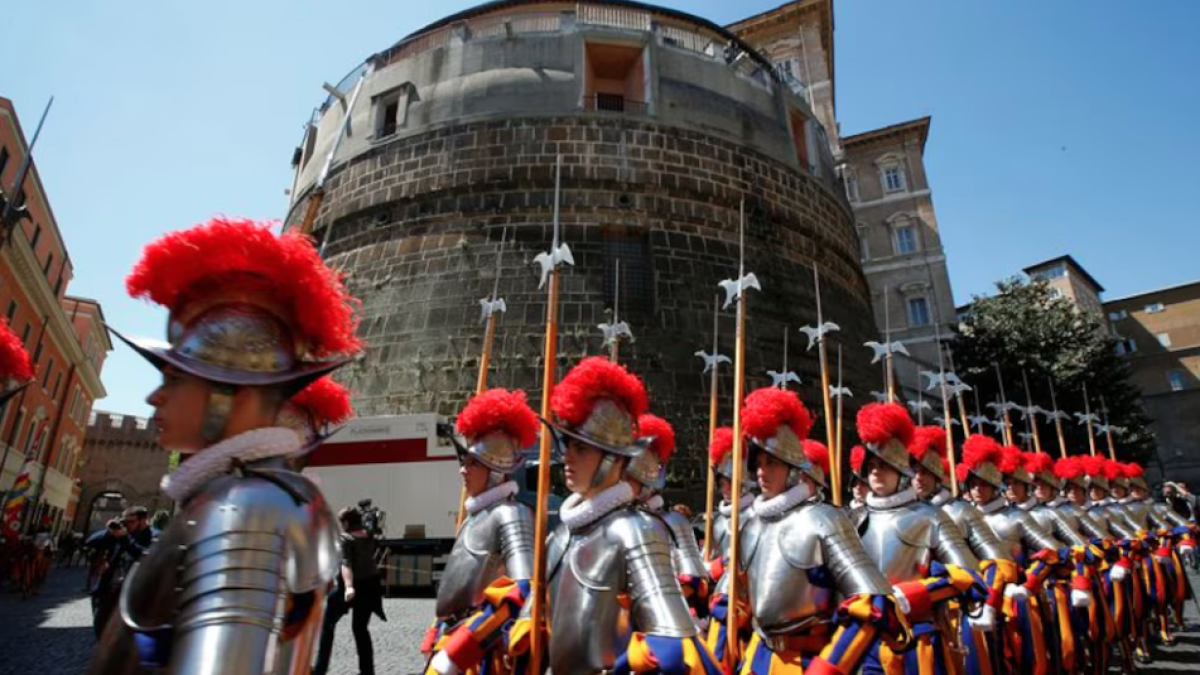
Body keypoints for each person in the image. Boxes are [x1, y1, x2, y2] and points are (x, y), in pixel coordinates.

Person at [88, 216, 362, 675]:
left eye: (175, 378)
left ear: (231, 394)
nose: (156, 395)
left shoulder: (246, 509)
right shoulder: (243, 495)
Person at [506, 357, 721, 675]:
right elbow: (534, 614)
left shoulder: (636, 530)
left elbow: (670, 643)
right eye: (567, 444)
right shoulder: (560, 535)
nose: (566, 456)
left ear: (613, 459)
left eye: (581, 448)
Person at [723, 387, 899, 675]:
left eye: (772, 462)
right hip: (760, 657)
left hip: (811, 659)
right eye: (757, 464)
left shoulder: (823, 518)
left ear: (793, 469)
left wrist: (832, 665)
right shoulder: (751, 525)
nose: (761, 472)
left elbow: (870, 600)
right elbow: (740, 596)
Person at [852, 402, 990, 675]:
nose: (876, 472)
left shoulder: (930, 517)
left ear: (902, 472)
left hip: (918, 637)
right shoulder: (851, 519)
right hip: (863, 639)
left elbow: (969, 577)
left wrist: (916, 593)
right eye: (871, 466)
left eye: (885, 465)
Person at [420, 388, 537, 675]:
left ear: (496, 470)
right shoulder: (473, 517)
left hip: (480, 654)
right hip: (451, 641)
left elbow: (522, 592)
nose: (462, 470)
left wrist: (462, 649)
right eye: (464, 461)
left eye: (472, 463)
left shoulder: (511, 514)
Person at [314, 508, 383, 675]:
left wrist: (349, 586)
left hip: (351, 588)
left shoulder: (346, 539)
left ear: (345, 523)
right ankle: (367, 671)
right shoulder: (368, 534)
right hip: (370, 587)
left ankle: (320, 669)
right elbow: (375, 526)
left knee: (328, 625)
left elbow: (346, 564)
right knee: (360, 629)